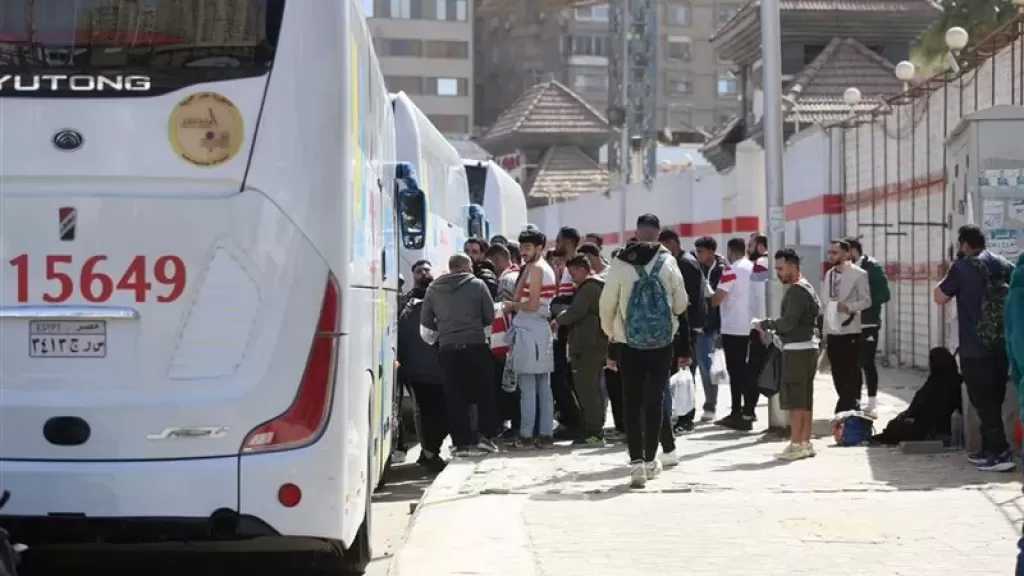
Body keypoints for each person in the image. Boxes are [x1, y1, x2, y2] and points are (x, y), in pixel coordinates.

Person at [600, 214, 688, 488]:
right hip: (661, 344)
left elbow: (606, 304)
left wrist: (612, 333)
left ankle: (636, 462)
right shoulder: (669, 262)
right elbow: (682, 304)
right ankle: (651, 460)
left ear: (637, 233)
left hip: (629, 344)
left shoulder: (620, 263)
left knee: (631, 402)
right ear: (658, 233)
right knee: (655, 401)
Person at [934, 225, 1016, 472]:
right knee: (994, 399)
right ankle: (988, 449)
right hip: (1001, 346)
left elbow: (939, 297)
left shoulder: (962, 267)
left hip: (974, 347)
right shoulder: (1003, 264)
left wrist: (945, 272)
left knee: (983, 402)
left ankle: (1000, 453)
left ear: (964, 244)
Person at [420, 253, 497, 457]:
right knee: (483, 393)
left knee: (455, 397)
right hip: (475, 346)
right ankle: (484, 438)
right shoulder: (478, 285)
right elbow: (490, 316)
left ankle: (460, 444)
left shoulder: (433, 289)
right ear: (467, 267)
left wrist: (441, 339)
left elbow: (426, 326)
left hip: (447, 349)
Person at [754, 249, 822, 460]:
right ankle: (805, 442)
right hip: (807, 348)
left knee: (795, 399)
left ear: (793, 266)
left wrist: (764, 324)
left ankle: (797, 444)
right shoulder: (807, 287)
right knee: (804, 397)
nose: (778, 273)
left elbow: (788, 323)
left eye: (781, 268)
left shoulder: (796, 291)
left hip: (798, 351)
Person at [505, 228, 557, 449]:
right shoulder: (536, 267)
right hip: (537, 330)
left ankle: (526, 436)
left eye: (527, 247)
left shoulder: (536, 269)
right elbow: (521, 296)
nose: (523, 251)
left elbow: (530, 304)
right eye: (522, 247)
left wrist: (511, 306)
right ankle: (544, 435)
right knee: (542, 387)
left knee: (528, 387)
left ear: (539, 247)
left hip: (530, 330)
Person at [397, 260, 447, 473]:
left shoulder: (439, 298)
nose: (424, 273)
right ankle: (429, 452)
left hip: (436, 367)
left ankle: (429, 451)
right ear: (413, 275)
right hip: (418, 370)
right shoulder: (406, 302)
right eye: (419, 271)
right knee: (427, 412)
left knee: (437, 412)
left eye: (427, 269)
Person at [555, 256, 609, 446]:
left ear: (583, 269)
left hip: (587, 346)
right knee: (593, 389)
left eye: (574, 272)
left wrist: (559, 316)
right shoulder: (597, 285)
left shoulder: (588, 287)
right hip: (595, 344)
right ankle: (594, 429)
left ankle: (593, 432)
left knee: (587, 391)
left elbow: (575, 313)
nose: (572, 277)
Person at [712, 238, 762, 431]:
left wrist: (708, 293)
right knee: (751, 371)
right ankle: (749, 410)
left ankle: (736, 412)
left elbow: (717, 299)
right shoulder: (756, 269)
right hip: (754, 326)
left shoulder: (730, 270)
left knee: (736, 373)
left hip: (733, 328)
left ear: (730, 251)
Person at [659, 228, 703, 434]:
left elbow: (687, 298)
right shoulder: (683, 261)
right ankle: (682, 414)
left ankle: (686, 417)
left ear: (673, 243)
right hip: (685, 324)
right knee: (680, 374)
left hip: (688, 325)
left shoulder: (684, 263)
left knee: (684, 373)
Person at [821, 239, 872, 415]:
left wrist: (849, 307)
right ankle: (846, 403)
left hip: (850, 329)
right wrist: (824, 331)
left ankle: (848, 405)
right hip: (833, 329)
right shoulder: (829, 274)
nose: (831, 256)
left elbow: (867, 301)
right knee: (836, 371)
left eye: (835, 252)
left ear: (846, 254)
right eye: (830, 252)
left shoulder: (859, 274)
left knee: (851, 369)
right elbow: (825, 301)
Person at [872, 348, 962, 445]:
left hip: (928, 431)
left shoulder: (933, 383)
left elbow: (917, 407)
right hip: (942, 429)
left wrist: (906, 415)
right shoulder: (957, 380)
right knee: (895, 425)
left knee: (894, 425)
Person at [846, 237, 891, 419]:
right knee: (852, 364)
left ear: (853, 251)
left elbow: (884, 294)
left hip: (868, 323)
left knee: (867, 362)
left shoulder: (872, 267)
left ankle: (872, 403)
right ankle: (854, 401)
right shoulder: (845, 269)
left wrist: (862, 303)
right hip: (849, 325)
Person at [551, 227, 584, 438]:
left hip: (570, 329)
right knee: (560, 376)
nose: (556, 245)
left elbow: (575, 300)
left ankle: (575, 421)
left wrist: (557, 306)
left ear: (568, 241)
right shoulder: (564, 267)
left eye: (559, 241)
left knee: (563, 377)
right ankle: (569, 419)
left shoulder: (577, 266)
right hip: (561, 328)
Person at [487, 243, 521, 439]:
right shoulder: (519, 274)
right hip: (522, 335)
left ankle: (517, 426)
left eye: (493, 263)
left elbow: (505, 313)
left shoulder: (506, 280)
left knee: (513, 384)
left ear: (499, 259)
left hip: (512, 338)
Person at [694, 236, 726, 422]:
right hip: (698, 325)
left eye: (701, 251)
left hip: (712, 326)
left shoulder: (720, 270)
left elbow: (717, 300)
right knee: (695, 367)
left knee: (708, 368)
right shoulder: (696, 267)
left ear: (711, 251)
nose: (697, 254)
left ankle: (710, 405)